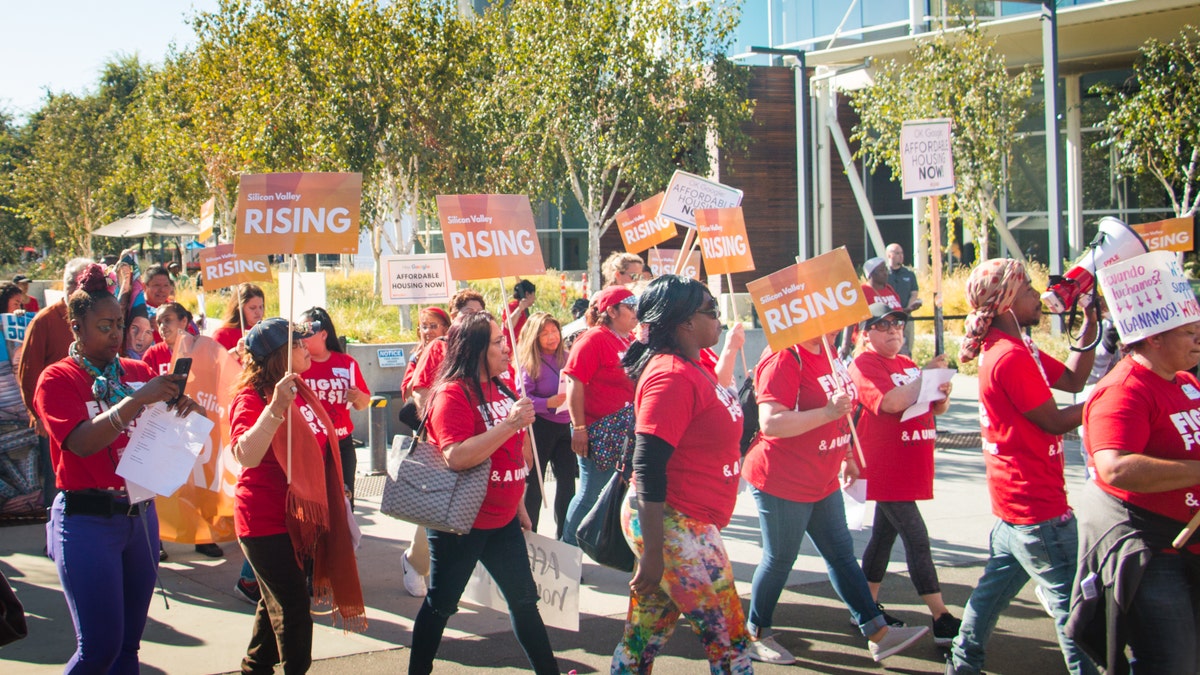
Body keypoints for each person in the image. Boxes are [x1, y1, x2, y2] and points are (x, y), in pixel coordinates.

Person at [34, 263, 203, 673]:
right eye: (104, 325)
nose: (115, 334)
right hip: (87, 522)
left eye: (120, 324)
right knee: (99, 650)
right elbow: (80, 443)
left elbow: (164, 433)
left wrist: (185, 413)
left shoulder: (137, 372)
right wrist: (138, 400)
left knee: (128, 648)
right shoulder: (57, 379)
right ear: (76, 327)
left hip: (140, 519)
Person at [742, 323, 929, 665]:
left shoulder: (830, 353)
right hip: (782, 479)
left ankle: (877, 632)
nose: (839, 324)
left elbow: (843, 409)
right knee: (780, 559)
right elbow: (772, 423)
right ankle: (756, 632)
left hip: (822, 477)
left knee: (841, 554)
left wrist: (845, 455)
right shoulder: (784, 356)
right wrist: (826, 413)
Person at [946, 258, 1099, 675]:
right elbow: (1055, 420)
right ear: (1008, 302)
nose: (1038, 295)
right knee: (1077, 619)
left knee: (986, 602)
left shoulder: (1017, 348)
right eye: (1029, 289)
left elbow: (1072, 382)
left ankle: (962, 665)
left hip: (1016, 510)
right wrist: (1116, 397)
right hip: (1038, 511)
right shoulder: (1009, 356)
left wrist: (1089, 323)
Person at [610, 275, 750, 673]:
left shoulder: (696, 364)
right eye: (712, 311)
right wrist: (655, 552)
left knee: (643, 638)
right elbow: (648, 464)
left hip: (687, 520)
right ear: (685, 322)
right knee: (730, 640)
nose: (719, 319)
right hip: (673, 522)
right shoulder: (670, 375)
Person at [409, 311, 559, 675]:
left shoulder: (500, 386)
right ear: (476, 349)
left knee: (525, 602)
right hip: (462, 523)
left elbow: (510, 454)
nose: (507, 348)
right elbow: (457, 456)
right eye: (497, 342)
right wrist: (510, 424)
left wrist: (520, 504)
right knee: (441, 604)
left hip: (503, 519)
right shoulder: (451, 394)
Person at [230, 317, 366, 674]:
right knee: (292, 608)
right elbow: (246, 454)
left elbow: (324, 443)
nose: (306, 347)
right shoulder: (251, 397)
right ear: (277, 356)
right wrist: (274, 409)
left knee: (273, 600)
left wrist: (338, 489)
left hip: (299, 518)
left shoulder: (301, 389)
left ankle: (254, 666)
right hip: (263, 521)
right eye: (297, 344)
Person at [1070, 319, 1200, 672]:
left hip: (1188, 545)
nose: (1198, 339)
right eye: (1189, 333)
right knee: (1173, 662)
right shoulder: (1124, 388)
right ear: (1155, 338)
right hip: (1154, 552)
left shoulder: (1186, 382)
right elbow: (1115, 467)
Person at [849, 303, 958, 645]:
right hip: (885, 468)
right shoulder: (864, 364)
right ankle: (940, 614)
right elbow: (892, 402)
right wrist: (925, 378)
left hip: (909, 465)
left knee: (884, 537)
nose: (895, 329)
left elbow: (933, 404)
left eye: (898, 323)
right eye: (884, 325)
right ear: (866, 333)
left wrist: (940, 391)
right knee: (916, 537)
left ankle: (865, 608)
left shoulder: (908, 364)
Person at [401, 290, 485, 598]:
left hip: (476, 440)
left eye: (480, 314)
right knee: (436, 509)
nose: (474, 319)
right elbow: (419, 391)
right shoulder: (440, 347)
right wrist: (440, 430)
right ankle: (415, 561)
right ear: (454, 318)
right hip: (441, 441)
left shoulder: (485, 347)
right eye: (467, 314)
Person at [141, 302, 229, 559]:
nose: (162, 326)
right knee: (158, 487)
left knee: (197, 486)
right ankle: (157, 537)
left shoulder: (202, 351)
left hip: (193, 430)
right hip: (163, 430)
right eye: (158, 322)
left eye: (167, 320)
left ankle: (203, 536)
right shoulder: (153, 354)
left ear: (184, 321)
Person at [561, 286, 639, 546]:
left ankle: (599, 545)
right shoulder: (593, 339)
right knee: (590, 493)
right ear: (612, 311)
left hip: (623, 432)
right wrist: (579, 428)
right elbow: (574, 383)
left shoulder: (629, 339)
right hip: (596, 429)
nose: (635, 311)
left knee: (612, 492)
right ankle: (568, 553)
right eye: (629, 306)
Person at [19, 258, 89, 510]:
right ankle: (54, 532)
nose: (78, 289)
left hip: (88, 417)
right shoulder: (45, 320)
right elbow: (28, 372)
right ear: (67, 285)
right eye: (74, 283)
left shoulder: (93, 319)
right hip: (53, 418)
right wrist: (37, 415)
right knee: (55, 479)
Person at [299, 307, 371, 508]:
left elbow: (364, 403)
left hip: (341, 444)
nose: (301, 336)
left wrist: (357, 396)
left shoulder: (346, 363)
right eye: (299, 330)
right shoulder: (295, 364)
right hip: (309, 445)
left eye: (307, 330)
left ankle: (345, 540)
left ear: (323, 334)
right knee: (314, 505)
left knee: (344, 503)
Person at [516, 312, 576, 539]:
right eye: (545, 334)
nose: (552, 337)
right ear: (534, 337)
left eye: (554, 331)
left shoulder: (568, 356)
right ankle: (530, 541)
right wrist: (546, 403)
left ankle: (565, 540)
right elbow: (521, 397)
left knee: (568, 484)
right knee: (535, 487)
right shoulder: (529, 363)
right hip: (539, 427)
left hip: (566, 425)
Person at [840, 257, 902, 359]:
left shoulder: (890, 289)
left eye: (885, 269)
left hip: (893, 339)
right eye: (881, 270)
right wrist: (845, 346)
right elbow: (850, 320)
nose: (885, 273)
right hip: (868, 344)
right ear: (871, 274)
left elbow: (896, 312)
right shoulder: (862, 291)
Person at [400, 307, 451, 402]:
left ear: (446, 328)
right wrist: (419, 365)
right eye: (424, 327)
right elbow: (407, 396)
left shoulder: (454, 353)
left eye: (433, 326)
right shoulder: (415, 357)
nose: (428, 331)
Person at [885, 244, 921, 357]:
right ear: (889, 255)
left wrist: (907, 310)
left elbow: (914, 293)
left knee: (907, 347)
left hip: (906, 316)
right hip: (888, 317)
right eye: (897, 253)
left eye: (902, 253)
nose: (901, 256)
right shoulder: (884, 274)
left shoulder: (909, 274)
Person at [212, 283, 267, 354]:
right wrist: (236, 352)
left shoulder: (266, 331)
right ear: (239, 308)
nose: (258, 312)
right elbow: (214, 362)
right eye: (252, 308)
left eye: (261, 307)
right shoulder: (223, 334)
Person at [504, 279, 537, 349]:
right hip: (512, 349)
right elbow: (508, 325)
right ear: (527, 294)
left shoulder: (526, 310)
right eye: (534, 295)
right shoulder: (511, 307)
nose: (535, 298)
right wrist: (519, 309)